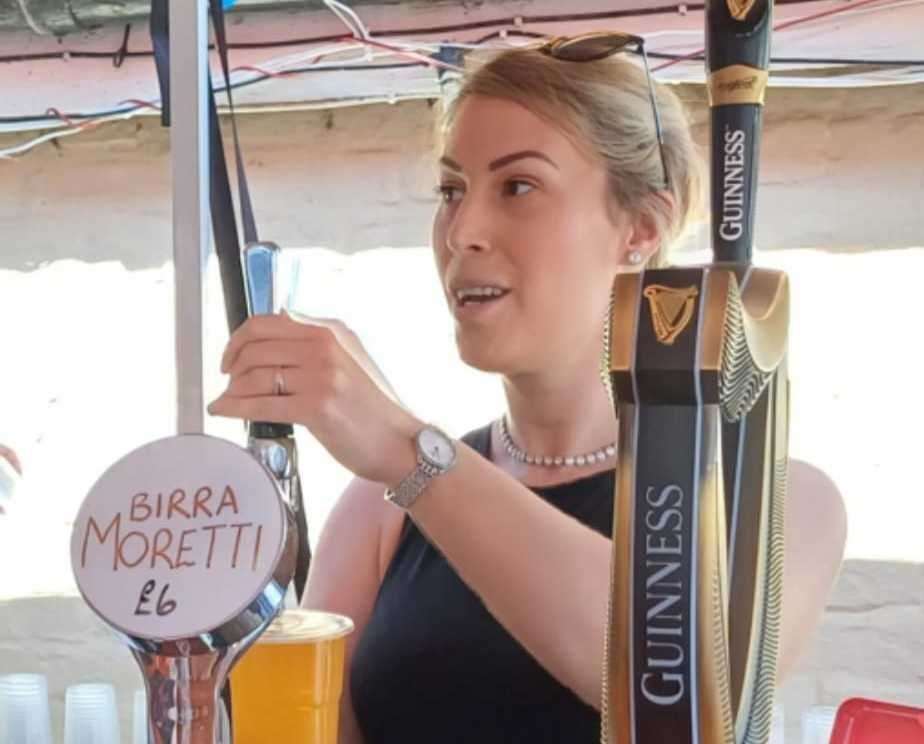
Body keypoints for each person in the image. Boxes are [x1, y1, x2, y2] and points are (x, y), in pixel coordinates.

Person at [208, 39, 847, 744]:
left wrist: (404, 448)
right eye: (451, 191)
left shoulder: (769, 502)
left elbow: (675, 685)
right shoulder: (379, 516)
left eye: (518, 187)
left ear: (643, 226)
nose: (462, 232)